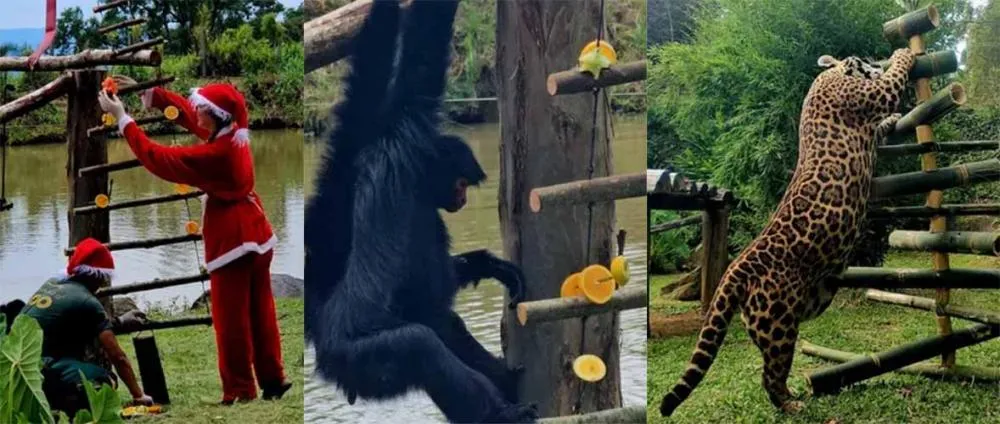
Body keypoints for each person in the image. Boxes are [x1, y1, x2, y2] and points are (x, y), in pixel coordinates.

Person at [97, 79, 291, 404]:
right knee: (261, 313)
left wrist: (123, 119)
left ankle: (240, 390)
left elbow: (159, 157)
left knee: (230, 322)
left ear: (215, 116)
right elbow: (188, 115)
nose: (196, 111)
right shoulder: (232, 135)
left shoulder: (216, 154)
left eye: (202, 109)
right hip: (258, 236)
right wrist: (153, 95)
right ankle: (273, 378)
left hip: (234, 242)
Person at [22, 238, 153, 415]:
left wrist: (120, 322)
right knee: (104, 379)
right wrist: (138, 395)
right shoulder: (87, 301)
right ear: (96, 276)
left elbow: (69, 322)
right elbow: (117, 356)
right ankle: (64, 404)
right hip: (39, 368)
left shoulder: (52, 283)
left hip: (19, 361)